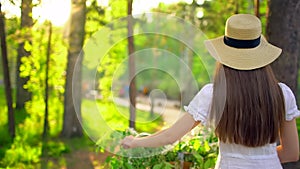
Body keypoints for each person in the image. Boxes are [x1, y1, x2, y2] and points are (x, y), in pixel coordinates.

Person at [121, 14, 300, 168]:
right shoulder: (283, 94)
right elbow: (292, 153)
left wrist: (135, 141)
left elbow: (170, 136)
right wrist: (262, 160)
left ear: (224, 55)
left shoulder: (213, 94)